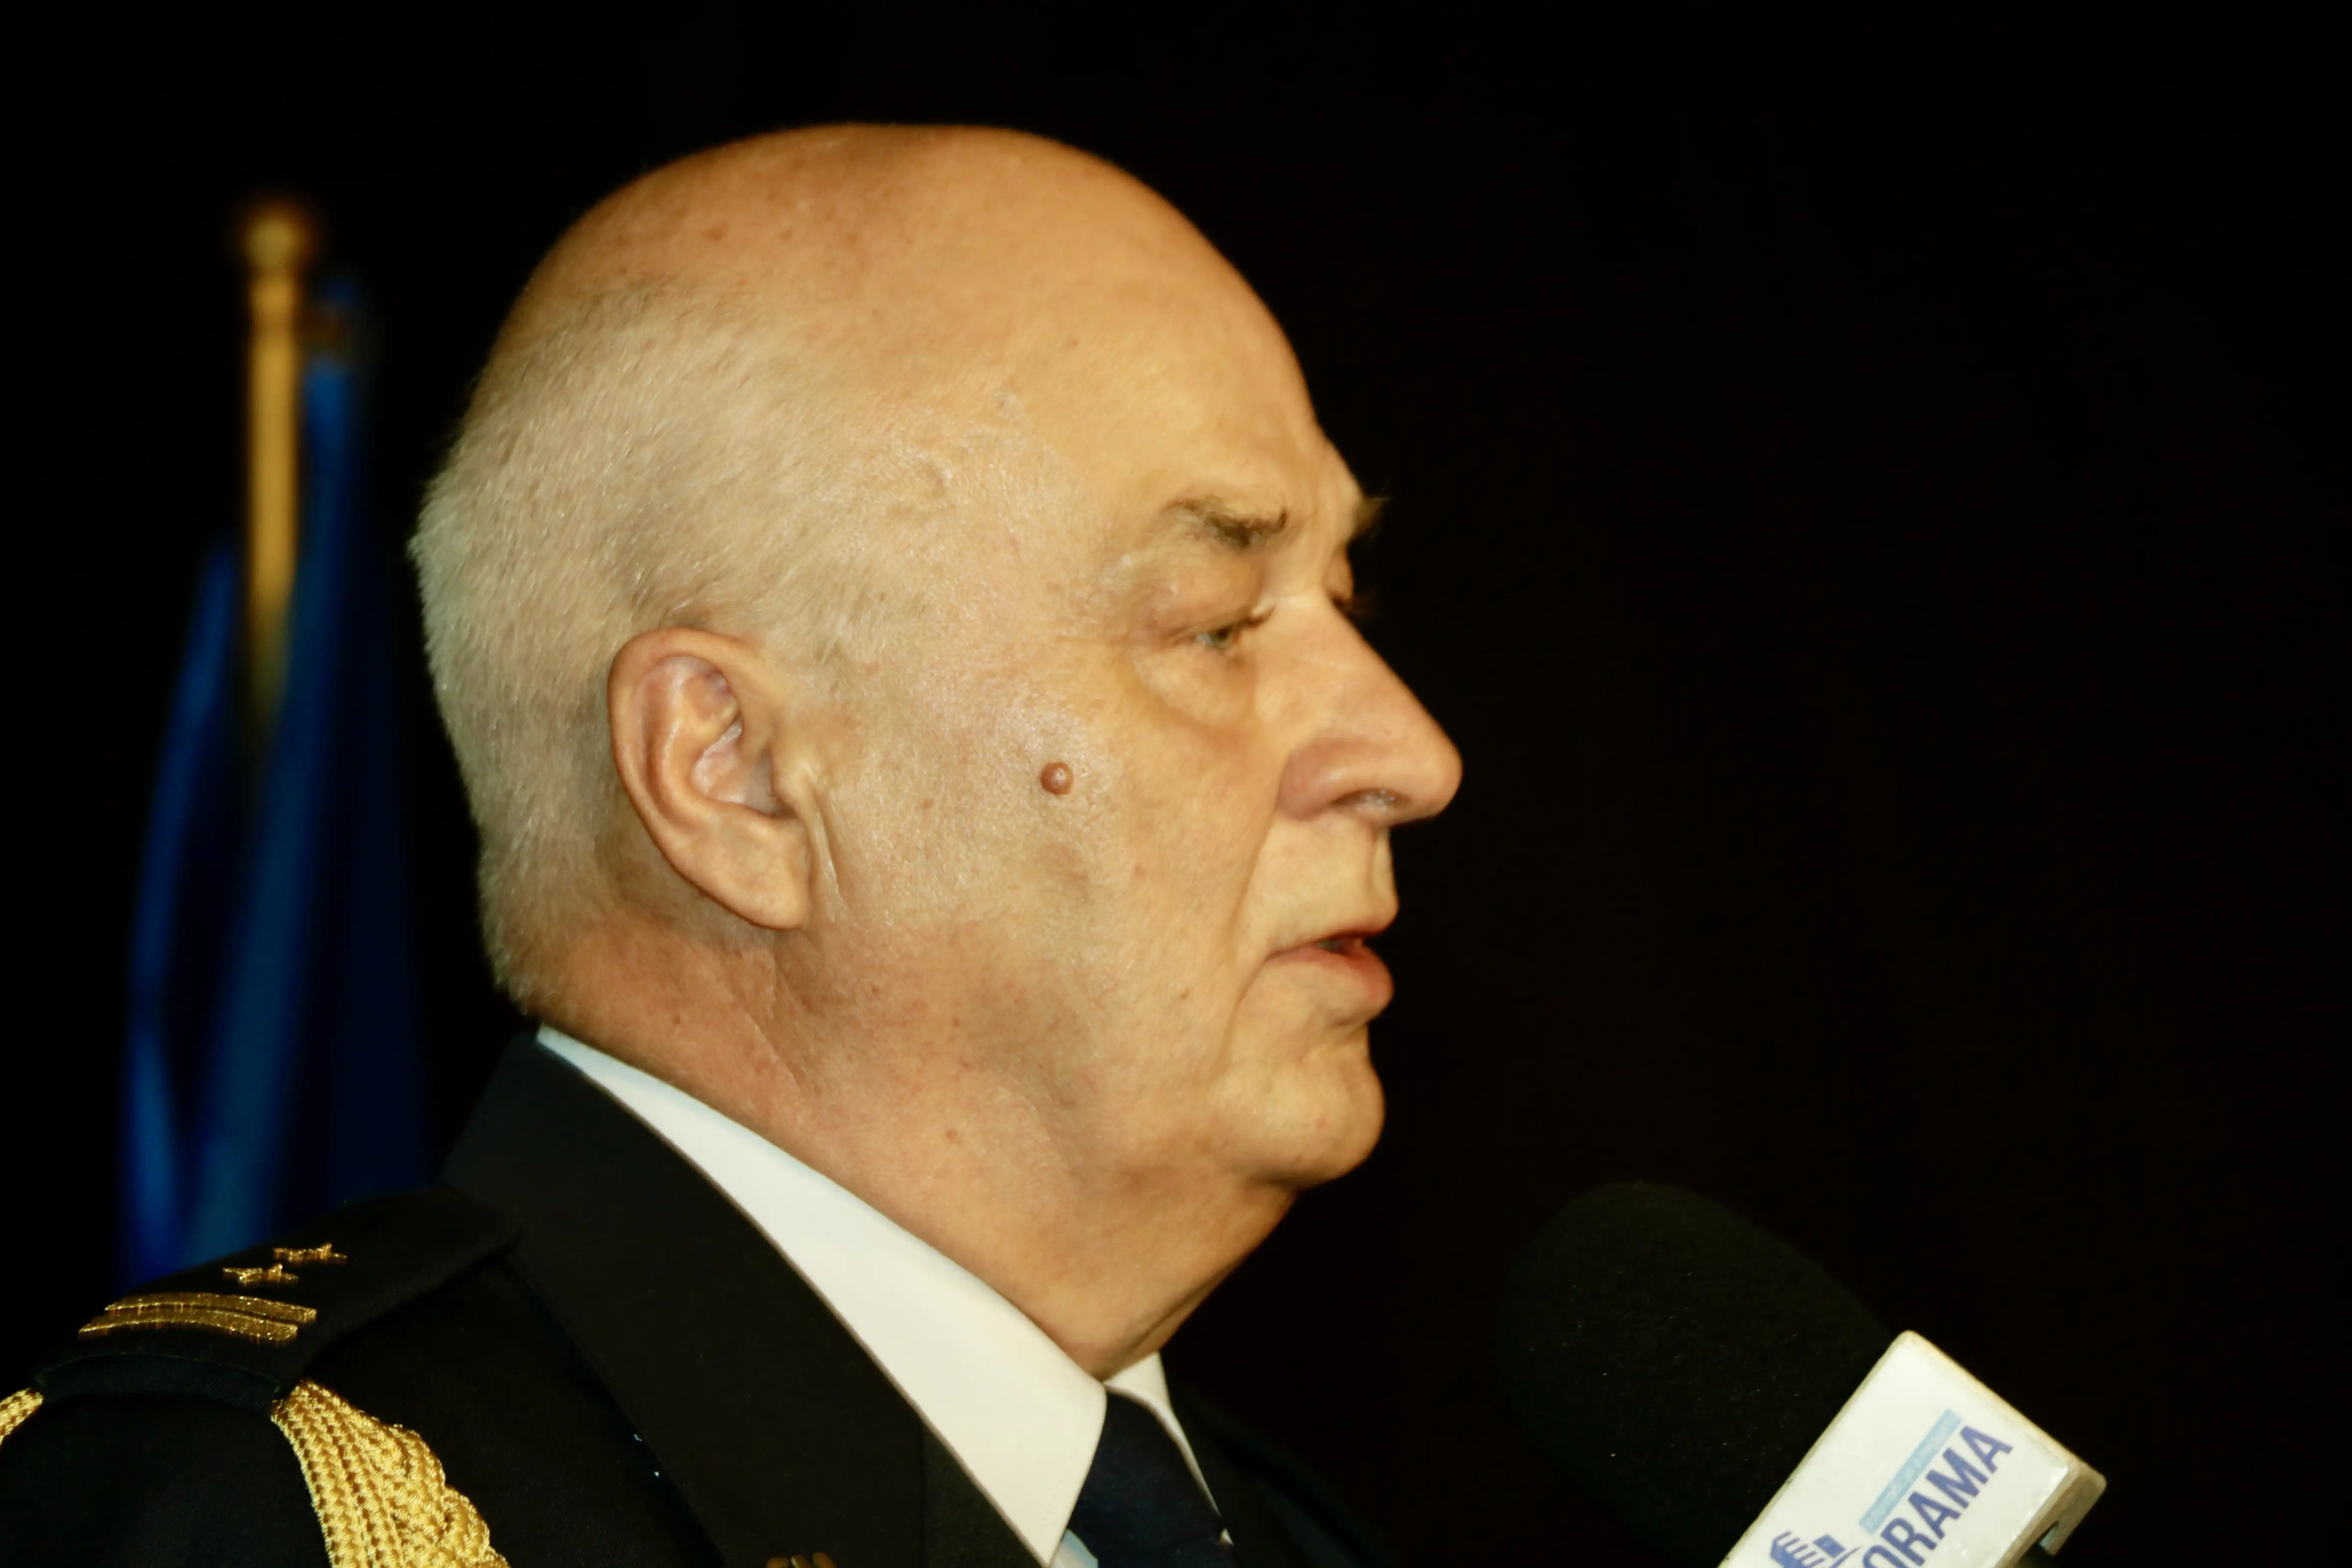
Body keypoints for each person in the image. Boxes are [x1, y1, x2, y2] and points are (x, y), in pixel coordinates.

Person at [0, 125, 1460, 1568]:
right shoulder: (242, 1517)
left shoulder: (1293, 1542)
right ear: (737, 776)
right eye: (1216, 625)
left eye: (1345, 601)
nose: (1412, 756)